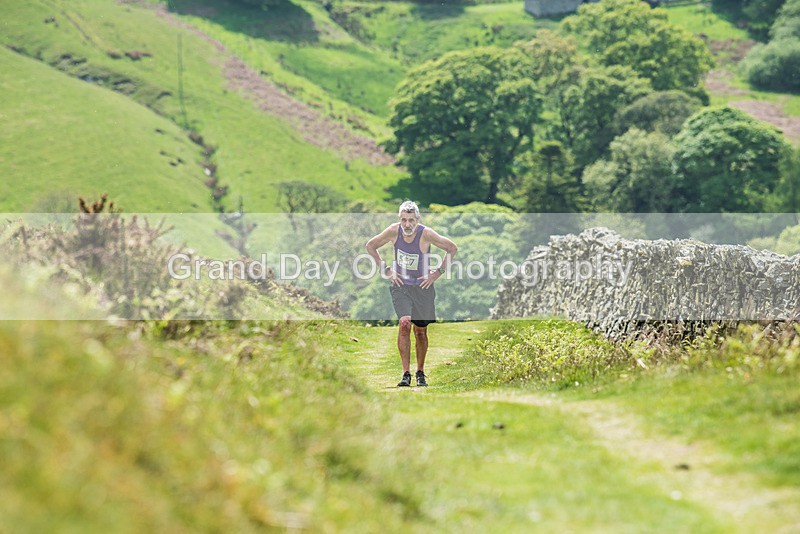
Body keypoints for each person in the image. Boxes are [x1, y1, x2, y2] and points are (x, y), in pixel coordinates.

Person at [365, 201, 458, 387]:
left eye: (411, 220)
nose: (407, 225)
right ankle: (405, 373)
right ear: (399, 219)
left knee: (421, 332)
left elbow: (452, 248)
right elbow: (371, 246)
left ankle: (420, 372)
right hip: (401, 285)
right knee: (404, 323)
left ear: (418, 220)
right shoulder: (393, 231)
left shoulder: (426, 234)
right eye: (404, 220)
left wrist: (437, 273)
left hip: (422, 286)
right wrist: (387, 270)